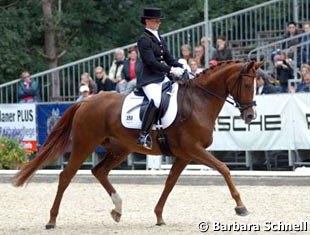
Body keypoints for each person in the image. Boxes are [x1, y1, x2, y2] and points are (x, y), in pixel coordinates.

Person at [136, 7, 184, 149]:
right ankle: (143, 135)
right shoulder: (143, 40)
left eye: (159, 21)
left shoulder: (159, 38)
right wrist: (171, 70)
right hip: (149, 79)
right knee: (156, 101)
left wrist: (181, 67)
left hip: (162, 77)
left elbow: (169, 58)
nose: (158, 23)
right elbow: (151, 62)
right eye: (156, 20)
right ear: (147, 21)